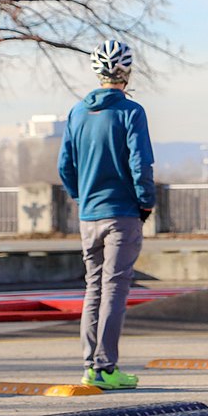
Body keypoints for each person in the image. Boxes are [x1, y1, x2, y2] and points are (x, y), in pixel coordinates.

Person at [58, 40, 155, 391]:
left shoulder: (77, 112)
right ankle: (107, 366)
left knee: (93, 288)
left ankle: (90, 365)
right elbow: (140, 164)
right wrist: (145, 202)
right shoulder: (131, 112)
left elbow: (65, 166)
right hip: (122, 213)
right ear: (127, 72)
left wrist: (82, 198)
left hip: (89, 215)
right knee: (115, 288)